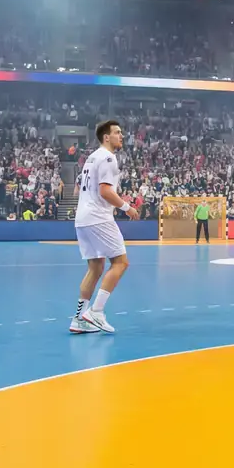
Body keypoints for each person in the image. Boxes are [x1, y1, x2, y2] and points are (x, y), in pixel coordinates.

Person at [69, 120, 138, 335]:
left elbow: (77, 189)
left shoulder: (91, 158)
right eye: (117, 132)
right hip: (99, 218)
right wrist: (127, 208)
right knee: (121, 263)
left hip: (83, 218)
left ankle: (79, 318)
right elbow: (105, 191)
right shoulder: (108, 158)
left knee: (95, 268)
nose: (121, 136)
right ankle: (96, 311)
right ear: (106, 137)